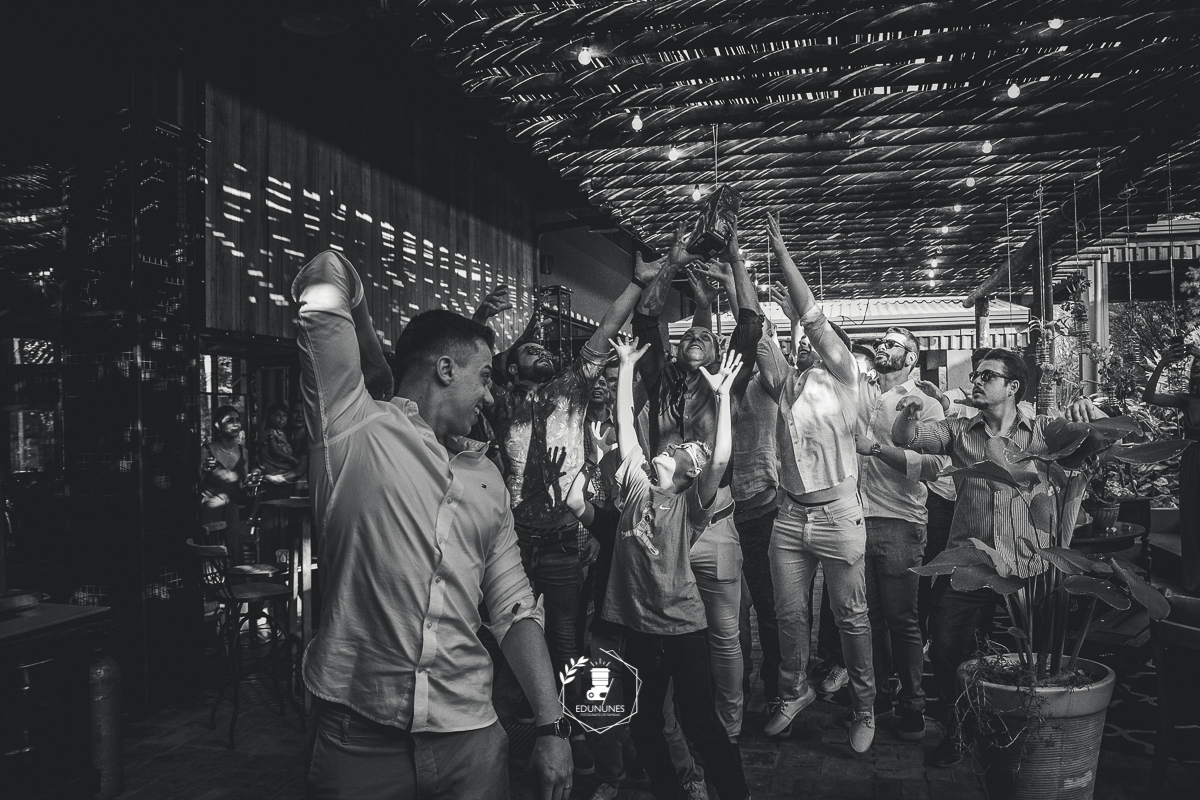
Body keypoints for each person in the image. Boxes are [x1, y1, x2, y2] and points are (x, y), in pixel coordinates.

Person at [292, 250, 571, 800]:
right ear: (445, 370)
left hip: (472, 738)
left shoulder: (487, 477)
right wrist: (377, 364)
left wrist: (551, 725)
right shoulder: (351, 429)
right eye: (484, 377)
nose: (491, 394)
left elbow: (513, 605)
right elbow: (326, 272)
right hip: (359, 740)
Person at [481, 258, 658, 777]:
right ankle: (510, 736)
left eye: (544, 349)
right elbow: (475, 361)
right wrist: (481, 319)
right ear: (512, 368)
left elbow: (605, 329)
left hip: (562, 543)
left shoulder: (571, 390)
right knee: (507, 643)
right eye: (529, 350)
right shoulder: (502, 402)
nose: (541, 352)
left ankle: (576, 735)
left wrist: (638, 282)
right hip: (514, 545)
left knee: (565, 646)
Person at [890, 348, 1061, 768]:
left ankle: (1028, 737)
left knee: (1033, 653)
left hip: (1026, 565)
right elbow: (906, 438)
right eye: (976, 375)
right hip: (967, 563)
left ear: (1013, 387)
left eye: (988, 376)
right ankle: (960, 732)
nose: (977, 381)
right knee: (947, 649)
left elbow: (1096, 442)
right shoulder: (959, 431)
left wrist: (1086, 415)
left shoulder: (1042, 432)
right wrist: (909, 413)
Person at [631, 223, 763, 740]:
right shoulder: (661, 381)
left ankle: (728, 726)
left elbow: (749, 323)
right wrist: (672, 261)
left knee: (724, 635)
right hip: (664, 524)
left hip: (716, 525)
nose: (695, 338)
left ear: (718, 353)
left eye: (705, 336)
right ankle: (669, 731)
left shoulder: (729, 381)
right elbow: (647, 321)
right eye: (688, 334)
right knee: (661, 634)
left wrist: (736, 261)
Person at [605, 333, 748, 800]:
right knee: (644, 722)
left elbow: (720, 458)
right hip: (639, 629)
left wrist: (723, 399)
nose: (670, 448)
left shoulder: (690, 507)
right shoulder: (636, 485)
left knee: (700, 722)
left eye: (681, 450)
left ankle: (735, 792)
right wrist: (627, 366)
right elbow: (624, 422)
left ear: (691, 472)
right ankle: (669, 790)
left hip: (683, 629)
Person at [755, 212, 876, 753]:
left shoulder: (847, 377)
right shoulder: (787, 383)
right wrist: (737, 265)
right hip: (789, 517)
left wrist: (782, 253)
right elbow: (756, 331)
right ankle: (794, 690)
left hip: (838, 516)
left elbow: (812, 316)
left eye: (817, 341)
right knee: (788, 615)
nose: (808, 343)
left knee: (852, 617)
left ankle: (865, 706)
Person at [854, 327, 948, 741]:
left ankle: (913, 705)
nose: (881, 346)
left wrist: (876, 450)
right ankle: (877, 699)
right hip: (853, 520)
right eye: (881, 341)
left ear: (911, 358)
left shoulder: (925, 403)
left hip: (900, 522)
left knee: (902, 620)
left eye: (892, 343)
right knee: (868, 619)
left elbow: (934, 467)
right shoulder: (861, 393)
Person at [1145, 339, 1200, 591]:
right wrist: (1162, 363)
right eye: (1194, 364)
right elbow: (1149, 397)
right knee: (1191, 519)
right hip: (1192, 460)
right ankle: (1193, 581)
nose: (1196, 366)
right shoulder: (1186, 400)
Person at [200, 405, 257, 562]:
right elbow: (193, 483)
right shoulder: (206, 450)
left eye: (238, 420)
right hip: (211, 510)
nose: (236, 424)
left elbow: (241, 485)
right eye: (230, 420)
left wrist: (251, 483)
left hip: (232, 511)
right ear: (218, 425)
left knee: (232, 552)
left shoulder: (243, 451)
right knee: (213, 555)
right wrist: (203, 469)